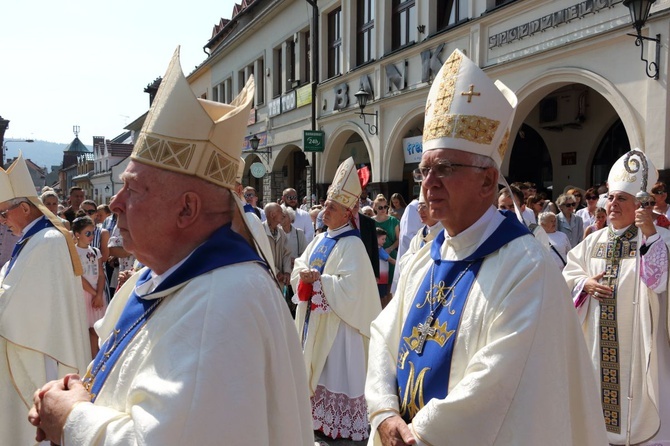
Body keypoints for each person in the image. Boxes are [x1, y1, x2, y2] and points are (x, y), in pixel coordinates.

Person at [28, 47, 312, 445]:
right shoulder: (167, 276)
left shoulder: (222, 302)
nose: (115, 204)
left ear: (187, 208)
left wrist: (73, 419)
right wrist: (76, 395)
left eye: (133, 188)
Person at [365, 49, 608, 446]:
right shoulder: (424, 256)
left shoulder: (527, 267)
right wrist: (384, 410)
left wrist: (417, 435)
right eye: (425, 170)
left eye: (445, 168)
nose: (429, 183)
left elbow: (499, 381)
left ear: (487, 180)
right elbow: (383, 333)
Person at [563, 149, 670, 445]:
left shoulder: (655, 239)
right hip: (597, 344)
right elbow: (568, 275)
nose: (612, 204)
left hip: (639, 343)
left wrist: (649, 235)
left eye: (621, 198)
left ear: (640, 205)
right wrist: (584, 284)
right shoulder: (592, 241)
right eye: (610, 197)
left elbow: (659, 282)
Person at [0, 155, 90, 445]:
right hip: (31, 342)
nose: (2, 221)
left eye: (3, 214)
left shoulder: (47, 241)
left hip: (41, 350)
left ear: (24, 208)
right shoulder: (31, 240)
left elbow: (17, 303)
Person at [291, 157, 381, 442]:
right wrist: (303, 275)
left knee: (336, 371)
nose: (325, 211)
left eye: (332, 207)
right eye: (326, 206)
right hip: (315, 320)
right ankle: (319, 416)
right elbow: (299, 263)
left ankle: (341, 423)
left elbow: (354, 289)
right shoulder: (319, 239)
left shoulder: (352, 244)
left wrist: (321, 282)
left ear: (347, 213)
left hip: (341, 328)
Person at [72, 216, 107, 359]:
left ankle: (97, 361)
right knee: (84, 331)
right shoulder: (73, 253)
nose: (91, 236)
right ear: (77, 234)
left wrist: (99, 294)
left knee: (96, 330)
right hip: (84, 294)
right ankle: (89, 363)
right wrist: (94, 294)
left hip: (97, 293)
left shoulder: (95, 251)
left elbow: (100, 274)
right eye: (87, 233)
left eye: (93, 232)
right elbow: (78, 277)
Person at [375, 227, 395, 300]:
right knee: (382, 297)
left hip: (377, 278)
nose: (385, 241)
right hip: (381, 279)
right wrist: (400, 264)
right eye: (383, 239)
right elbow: (390, 260)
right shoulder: (380, 250)